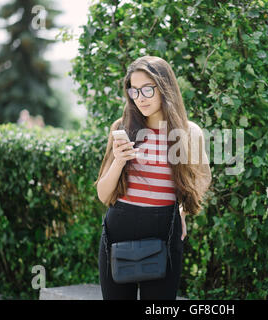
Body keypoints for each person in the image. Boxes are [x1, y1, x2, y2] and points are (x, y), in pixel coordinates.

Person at [94, 55, 212, 300]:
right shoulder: (122, 128)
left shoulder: (189, 133)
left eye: (148, 89)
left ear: (165, 87)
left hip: (164, 231)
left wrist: (181, 211)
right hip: (119, 228)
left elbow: (202, 179)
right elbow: (104, 195)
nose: (141, 98)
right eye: (134, 91)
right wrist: (119, 160)